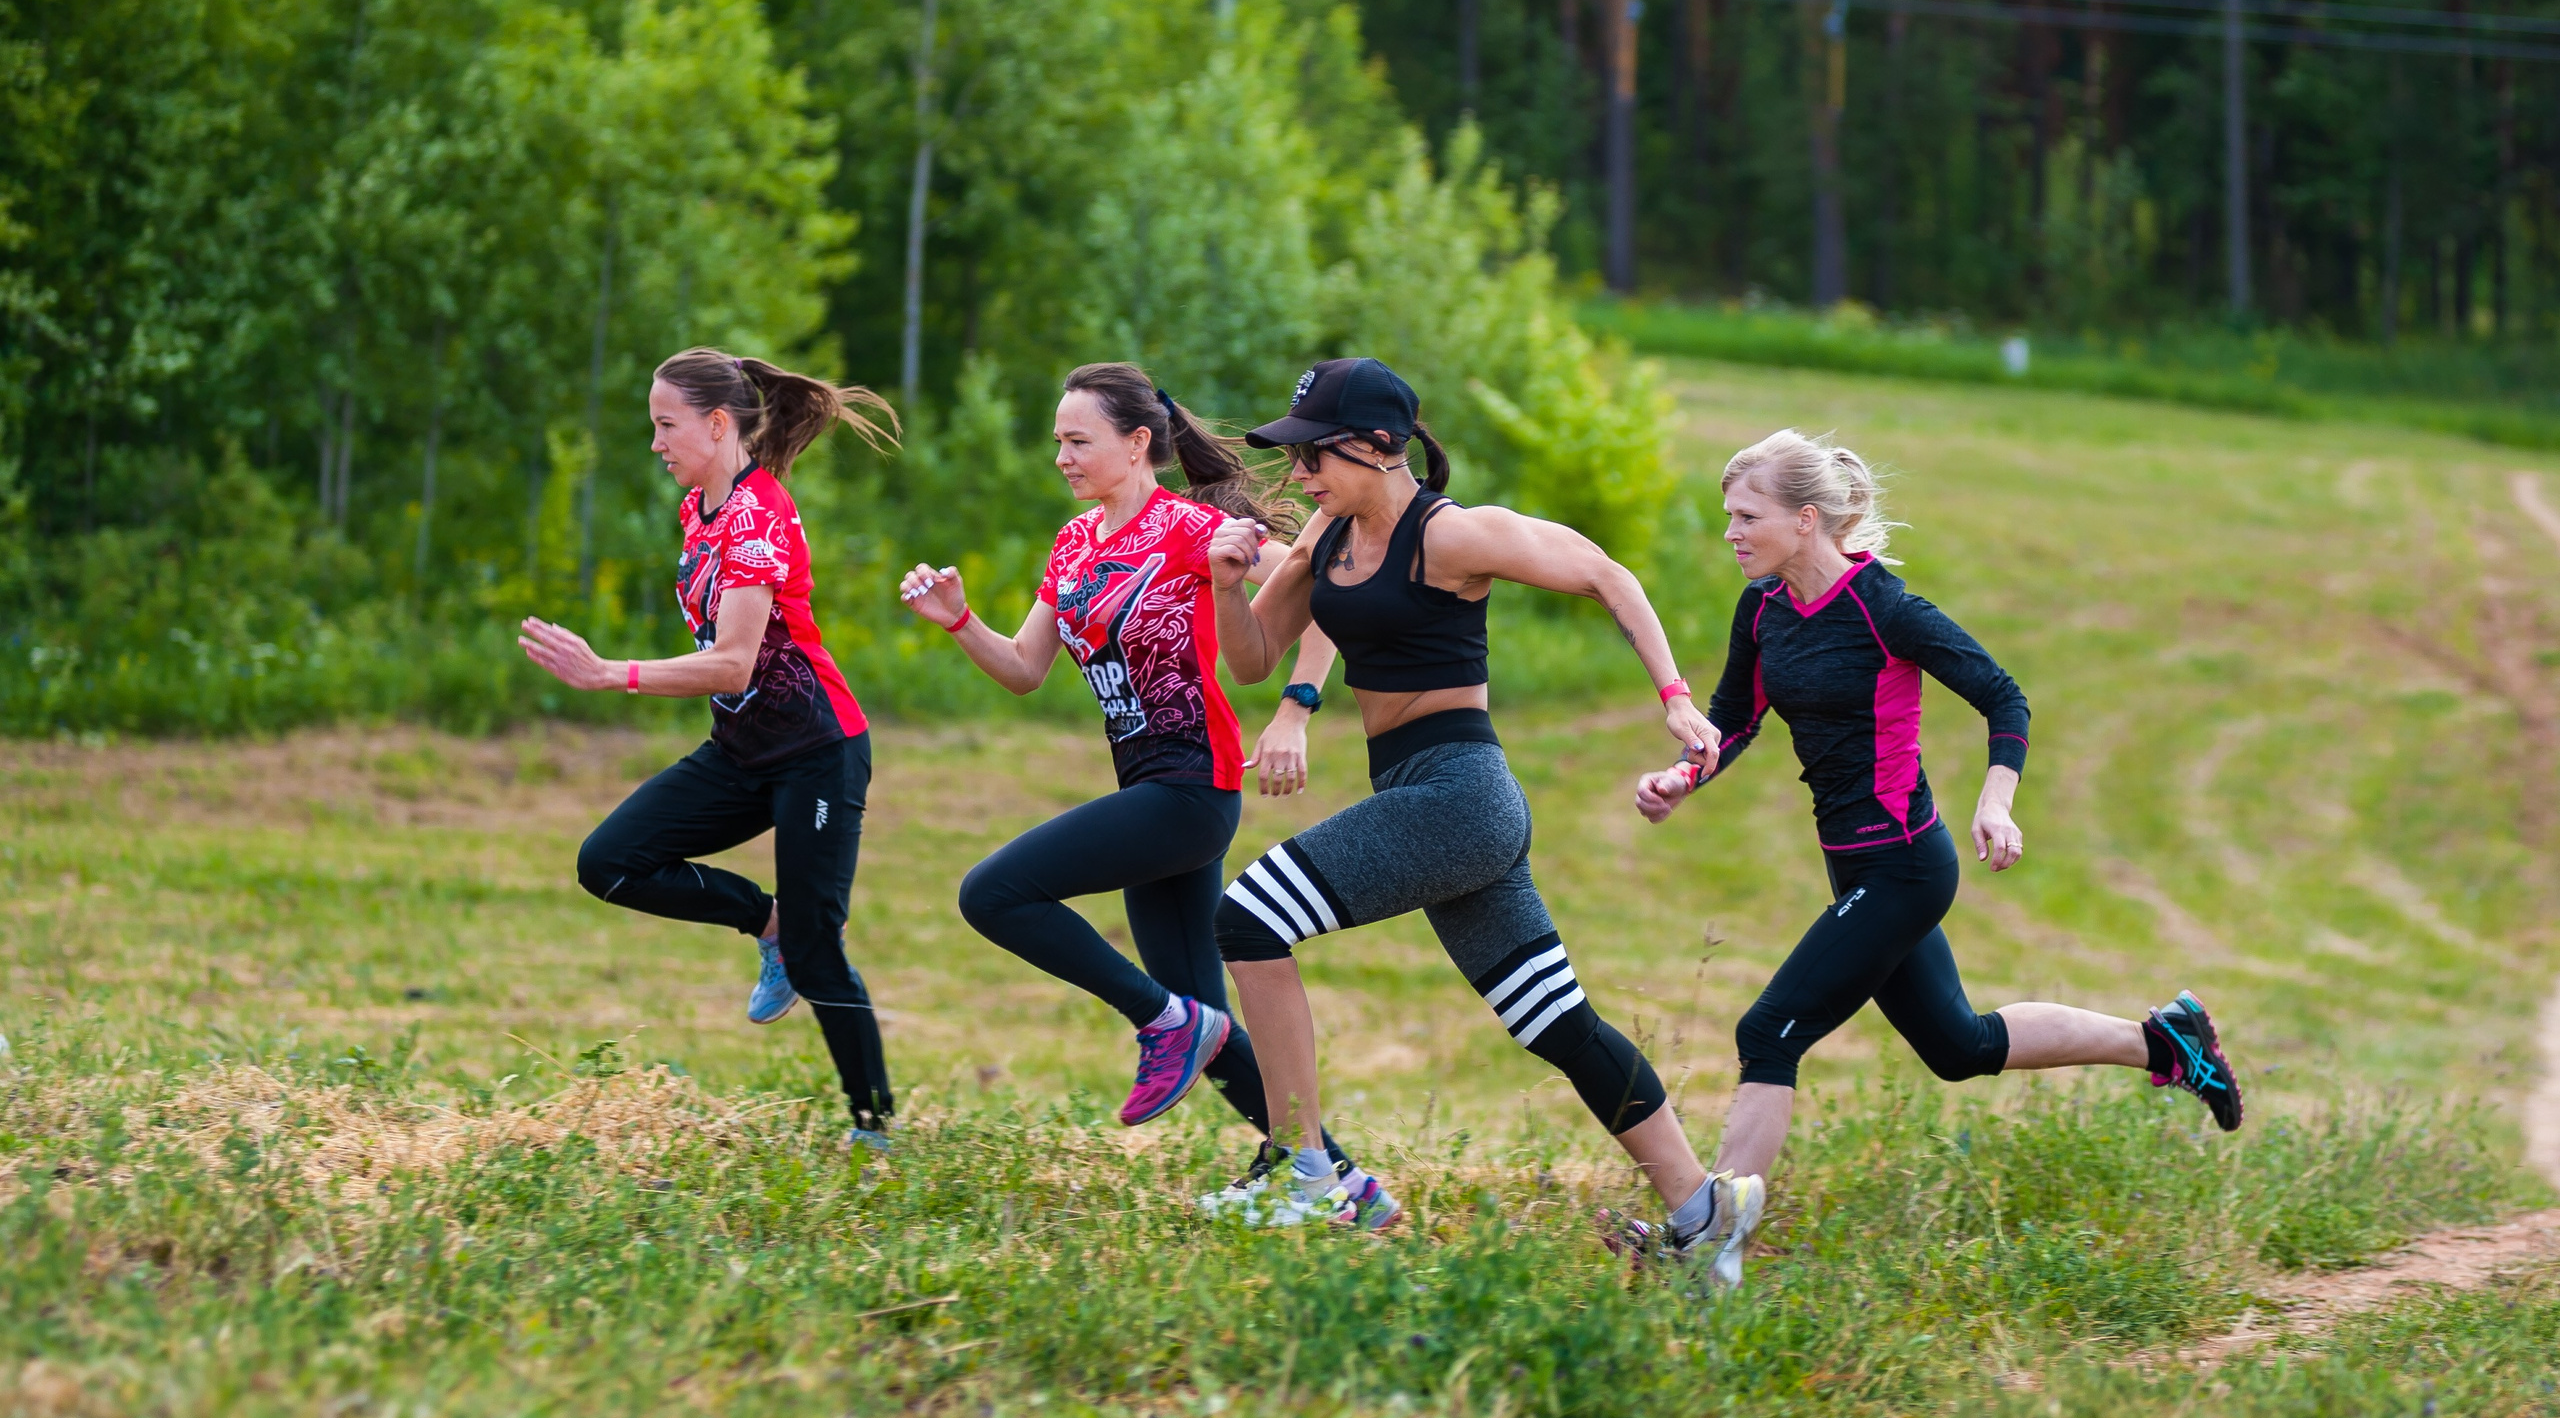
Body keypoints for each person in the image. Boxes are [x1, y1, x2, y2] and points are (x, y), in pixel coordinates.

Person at [1630, 427, 2245, 1281]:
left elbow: (2003, 696)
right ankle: (2168, 1043)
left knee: (1768, 1031)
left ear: (1805, 521)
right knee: (1958, 1046)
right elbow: (1734, 719)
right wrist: (1683, 776)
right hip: (1853, 867)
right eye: (1727, 516)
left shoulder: (1885, 609)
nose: (1730, 533)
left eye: (1745, 516)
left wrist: (1996, 799)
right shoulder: (1764, 611)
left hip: (1906, 868)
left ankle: (1712, 1240)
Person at [1205, 357, 1735, 1244]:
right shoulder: (1324, 540)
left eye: (1314, 456)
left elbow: (1608, 574)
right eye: (1295, 458)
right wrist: (1226, 588)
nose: (1299, 476)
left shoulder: (1450, 536)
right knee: (1555, 1020)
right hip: (1427, 797)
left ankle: (1309, 1174)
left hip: (1460, 795)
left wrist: (1675, 696)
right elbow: (1255, 657)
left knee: (1249, 920)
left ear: (1380, 446)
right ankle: (1701, 1211)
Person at [897, 362, 1396, 1228]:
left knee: (995, 893)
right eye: (1058, 440)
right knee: (1207, 1025)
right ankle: (1344, 1187)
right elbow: (1023, 669)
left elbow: (1315, 602)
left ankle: (1161, 1023)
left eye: (1077, 440)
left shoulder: (1194, 528)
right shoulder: (1073, 543)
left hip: (1192, 787)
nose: (1062, 455)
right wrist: (957, 621)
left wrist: (1295, 713)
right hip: (1146, 786)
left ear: (1137, 444)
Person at [518, 348, 901, 1149]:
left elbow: (733, 659)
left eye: (666, 425)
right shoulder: (700, 507)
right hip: (740, 751)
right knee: (609, 862)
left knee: (819, 949)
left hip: (817, 753)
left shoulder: (761, 514)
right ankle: (768, 928)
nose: (655, 442)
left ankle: (874, 1129)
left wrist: (608, 674)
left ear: (718, 423)